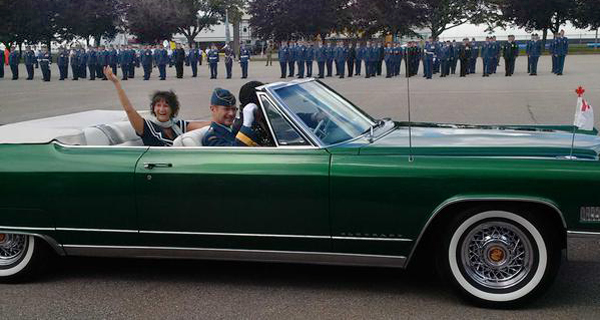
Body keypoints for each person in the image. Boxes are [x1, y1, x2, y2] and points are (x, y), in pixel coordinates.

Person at [104, 66, 209, 147]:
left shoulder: (177, 125)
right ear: (153, 108)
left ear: (173, 109)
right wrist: (116, 82)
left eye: (166, 106)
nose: (162, 109)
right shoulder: (147, 127)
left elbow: (204, 125)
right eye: (158, 105)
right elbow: (129, 110)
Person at [236, 81, 275, 146]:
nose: (267, 104)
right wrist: (247, 125)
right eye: (264, 101)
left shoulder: (265, 118)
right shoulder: (241, 127)